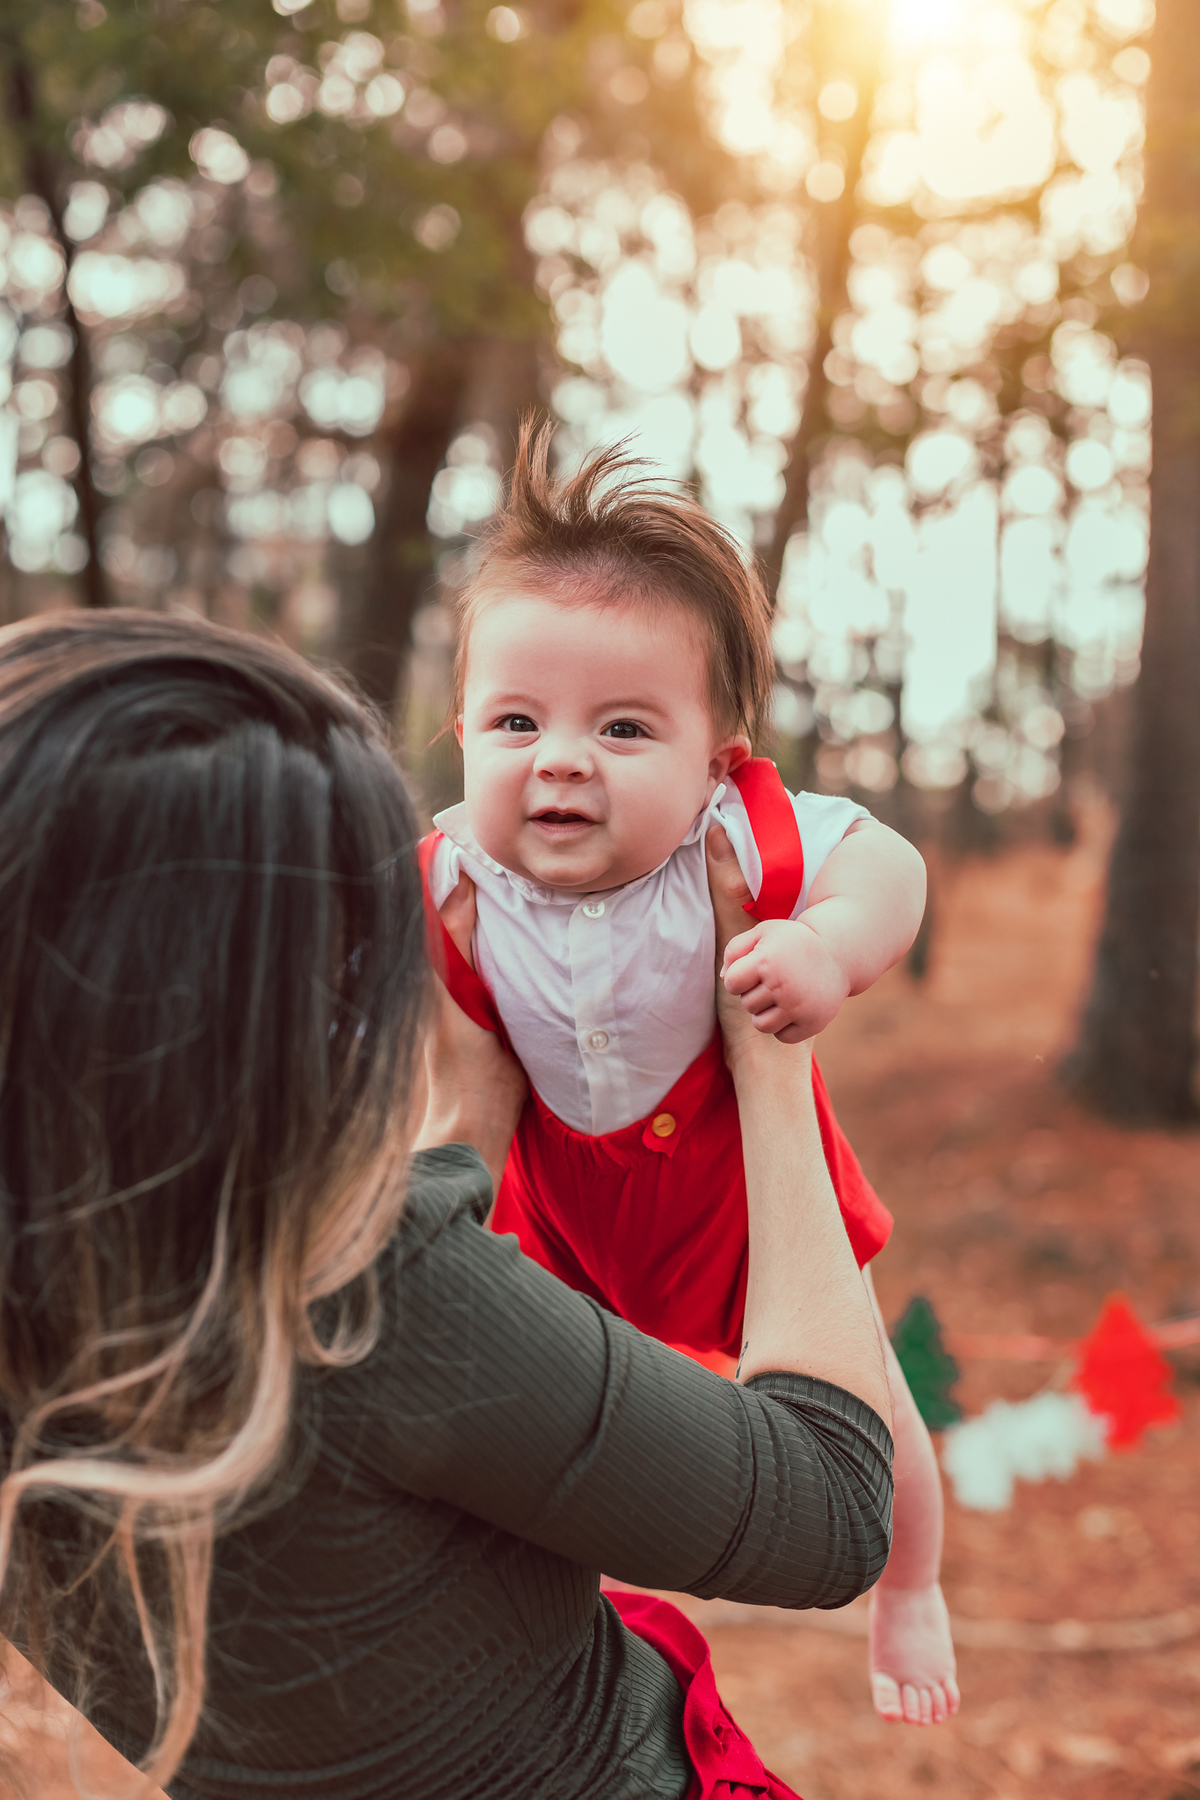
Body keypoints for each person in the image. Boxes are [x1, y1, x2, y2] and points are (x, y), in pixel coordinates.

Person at [0, 608, 894, 1800]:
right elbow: (831, 1507)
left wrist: (472, 1117)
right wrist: (768, 1067)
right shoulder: (351, 1293)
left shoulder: (61, 1286)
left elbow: (383, 1573)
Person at [421, 421, 958, 1727]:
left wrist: (827, 949)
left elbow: (889, 866)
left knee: (874, 1401)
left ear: (715, 757)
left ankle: (911, 1587)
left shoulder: (741, 837)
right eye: (517, 721)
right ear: (462, 731)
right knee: (521, 1411)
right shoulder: (446, 868)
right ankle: (544, 1609)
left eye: (622, 727)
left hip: (738, 1182)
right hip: (557, 1197)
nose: (561, 758)